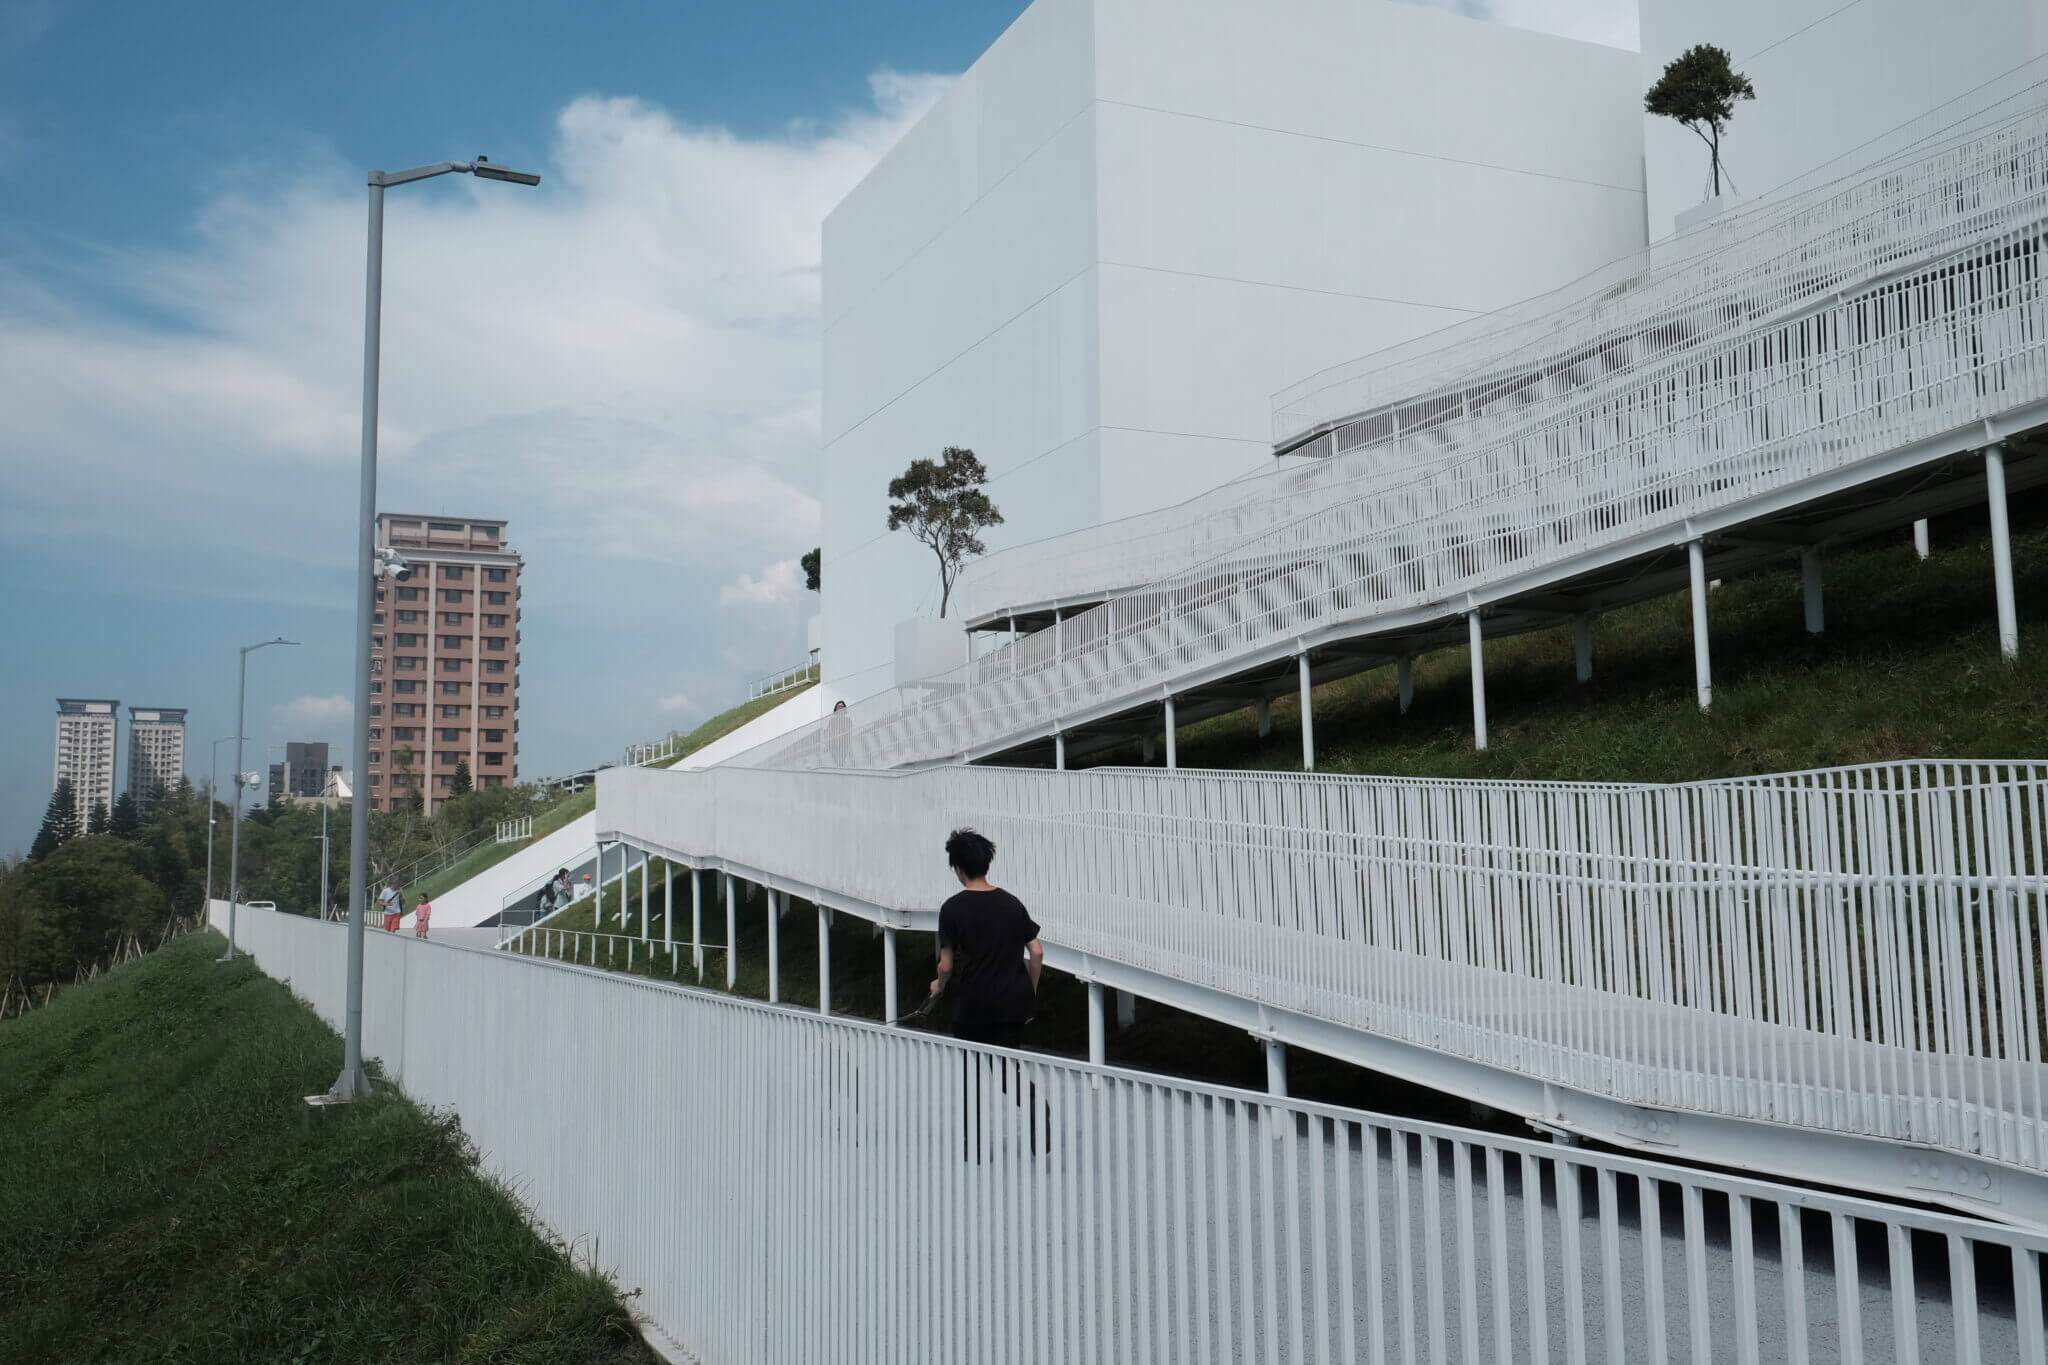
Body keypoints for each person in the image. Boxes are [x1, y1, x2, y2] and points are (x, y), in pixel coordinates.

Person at [929, 828, 1043, 1048]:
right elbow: (1036, 952)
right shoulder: (1012, 903)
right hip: (1012, 1003)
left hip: (974, 1003)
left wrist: (939, 985)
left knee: (974, 1072)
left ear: (958, 869)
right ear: (986, 863)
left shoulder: (952, 908)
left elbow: (945, 966)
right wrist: (1030, 992)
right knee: (1009, 1071)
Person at [825, 699, 852, 766]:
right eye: (839, 707)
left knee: (840, 761)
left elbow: (849, 732)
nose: (840, 708)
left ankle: (842, 771)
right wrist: (826, 744)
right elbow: (828, 732)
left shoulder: (848, 720)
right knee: (839, 761)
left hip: (844, 744)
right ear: (836, 709)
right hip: (833, 744)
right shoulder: (832, 720)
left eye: (842, 707)